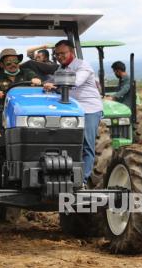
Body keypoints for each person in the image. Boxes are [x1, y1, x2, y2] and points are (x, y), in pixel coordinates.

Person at [43, 40, 103, 186]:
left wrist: (54, 84)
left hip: (88, 109)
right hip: (71, 109)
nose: (59, 56)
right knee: (67, 143)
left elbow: (75, 81)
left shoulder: (82, 66)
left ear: (72, 52)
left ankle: (82, 180)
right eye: (57, 54)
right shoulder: (60, 69)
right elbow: (54, 84)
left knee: (86, 144)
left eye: (63, 53)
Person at [0, 48, 41, 124]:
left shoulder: (27, 72)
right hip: (5, 109)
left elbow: (37, 80)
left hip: (27, 107)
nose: (13, 65)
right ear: (1, 65)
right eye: (8, 63)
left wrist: (36, 80)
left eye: (15, 62)